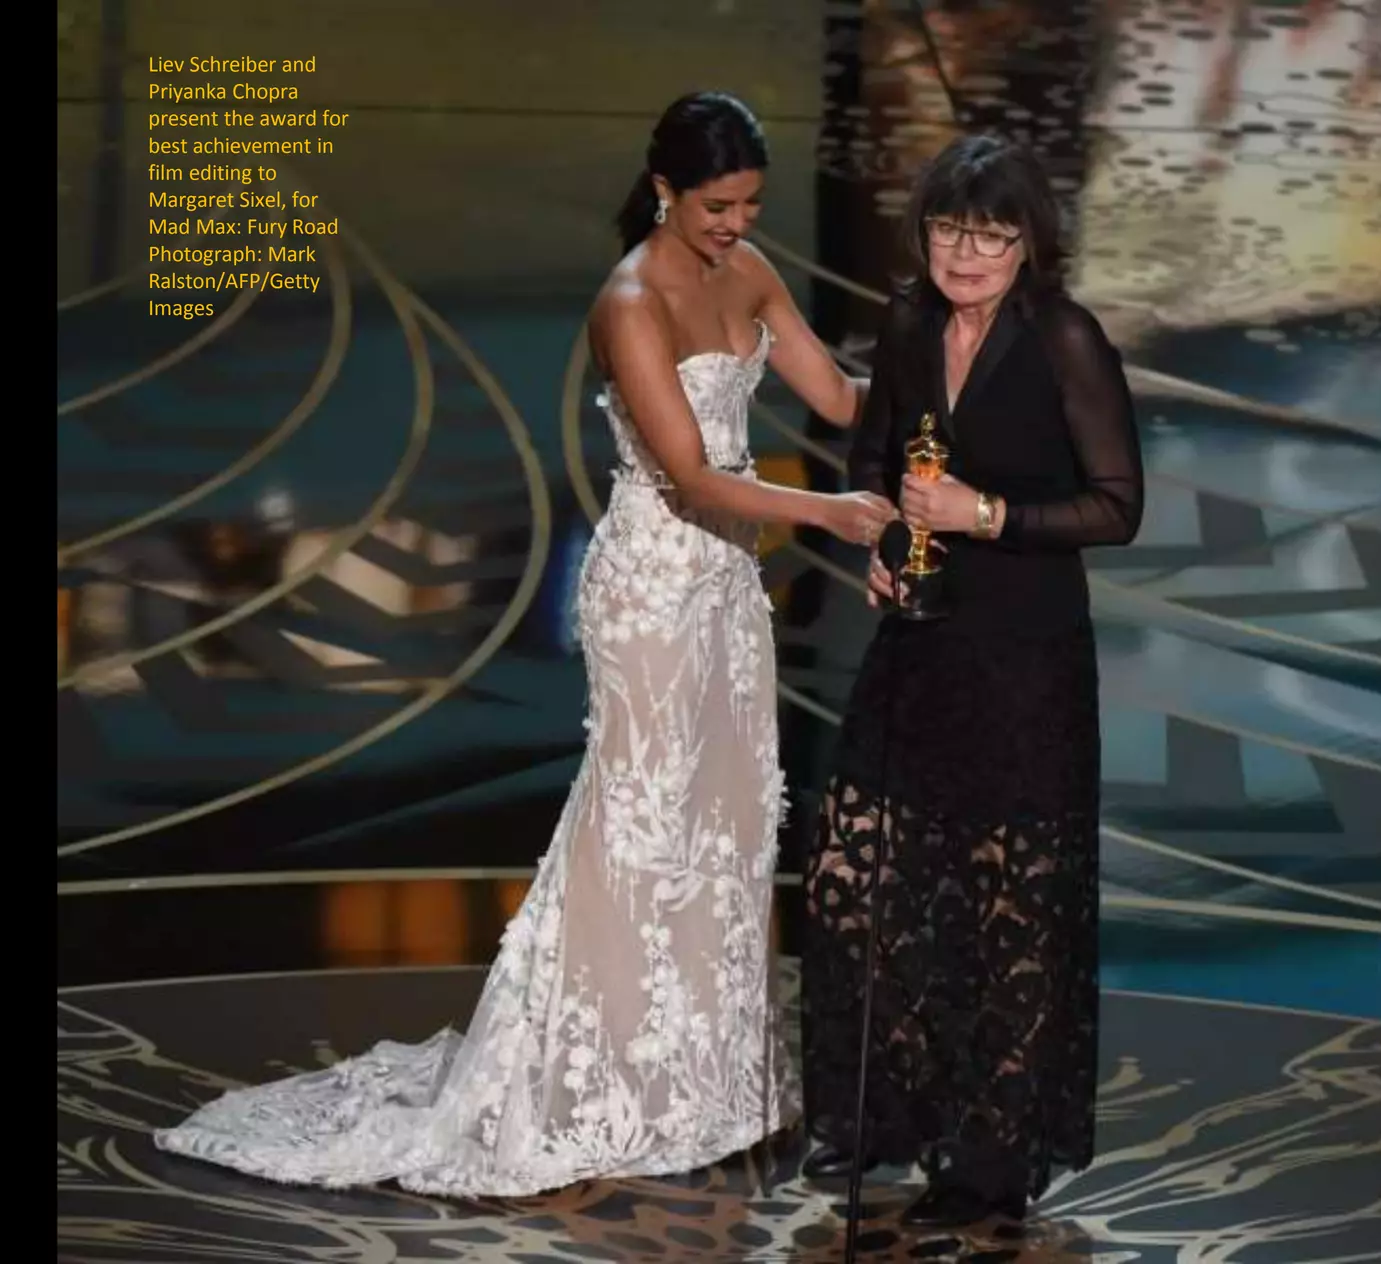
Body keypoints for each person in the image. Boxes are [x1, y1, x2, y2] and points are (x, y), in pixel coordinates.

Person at [153, 91, 896, 1197]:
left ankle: (707, 1082)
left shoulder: (749, 271)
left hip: (728, 592)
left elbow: (836, 395)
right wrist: (831, 516)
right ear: (664, 189)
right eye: (718, 205)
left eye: (748, 205)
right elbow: (689, 472)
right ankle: (598, 1082)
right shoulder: (630, 301)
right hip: (650, 592)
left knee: (729, 822)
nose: (737, 225)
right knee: (641, 828)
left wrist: (951, 387)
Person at [798, 133, 1143, 1227]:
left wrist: (981, 514)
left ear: (1029, 240)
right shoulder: (906, 323)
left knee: (1008, 903)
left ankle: (990, 1156)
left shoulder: (1064, 339)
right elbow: (872, 457)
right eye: (949, 230)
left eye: (991, 235)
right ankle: (889, 1114)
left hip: (1026, 655)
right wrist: (882, 540)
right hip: (922, 642)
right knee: (866, 876)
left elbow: (1116, 505)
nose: (967, 253)